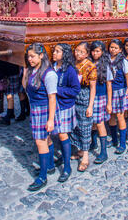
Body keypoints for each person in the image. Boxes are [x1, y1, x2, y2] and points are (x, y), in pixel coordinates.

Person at [22, 43, 61, 191]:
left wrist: (51, 119)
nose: (30, 59)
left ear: (41, 56)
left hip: (45, 109)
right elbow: (25, 86)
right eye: (28, 56)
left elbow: (52, 98)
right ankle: (50, 165)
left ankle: (42, 176)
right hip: (36, 108)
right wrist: (25, 70)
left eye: (32, 56)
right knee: (47, 139)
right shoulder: (33, 70)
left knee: (40, 141)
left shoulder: (49, 74)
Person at [52, 43, 81, 182]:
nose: (54, 53)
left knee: (63, 134)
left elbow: (75, 90)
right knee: (56, 133)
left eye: (58, 51)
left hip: (64, 105)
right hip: (53, 105)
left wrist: (57, 90)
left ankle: (67, 166)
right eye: (54, 51)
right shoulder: (52, 67)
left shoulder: (69, 70)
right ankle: (62, 157)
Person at [70, 42, 97, 172]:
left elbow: (93, 88)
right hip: (73, 95)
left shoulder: (90, 67)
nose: (78, 54)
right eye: (77, 51)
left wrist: (90, 105)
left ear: (87, 54)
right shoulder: (73, 64)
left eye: (81, 52)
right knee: (75, 125)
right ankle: (79, 149)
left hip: (85, 95)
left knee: (85, 126)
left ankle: (85, 155)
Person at [107, 39, 128, 154]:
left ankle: (122, 142)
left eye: (116, 48)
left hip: (119, 90)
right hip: (109, 91)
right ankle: (114, 139)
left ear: (120, 50)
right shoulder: (106, 59)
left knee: (120, 116)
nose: (113, 50)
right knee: (111, 115)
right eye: (111, 47)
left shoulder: (123, 61)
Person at [90, 41, 111, 164]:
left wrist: (109, 102)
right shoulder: (89, 63)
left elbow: (109, 85)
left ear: (102, 52)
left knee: (99, 123)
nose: (95, 53)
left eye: (98, 51)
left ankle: (103, 151)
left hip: (100, 95)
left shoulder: (105, 65)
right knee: (92, 121)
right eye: (93, 51)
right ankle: (93, 142)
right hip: (91, 96)